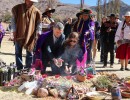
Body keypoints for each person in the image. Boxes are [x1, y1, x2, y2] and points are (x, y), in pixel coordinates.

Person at [11, 0, 42, 70]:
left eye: (32, 2)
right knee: (18, 52)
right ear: (26, 0)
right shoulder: (17, 8)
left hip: (30, 35)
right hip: (19, 33)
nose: (31, 3)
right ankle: (19, 68)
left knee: (30, 53)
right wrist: (14, 31)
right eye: (30, 1)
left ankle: (28, 68)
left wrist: (38, 31)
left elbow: (39, 23)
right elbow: (13, 20)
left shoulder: (36, 11)